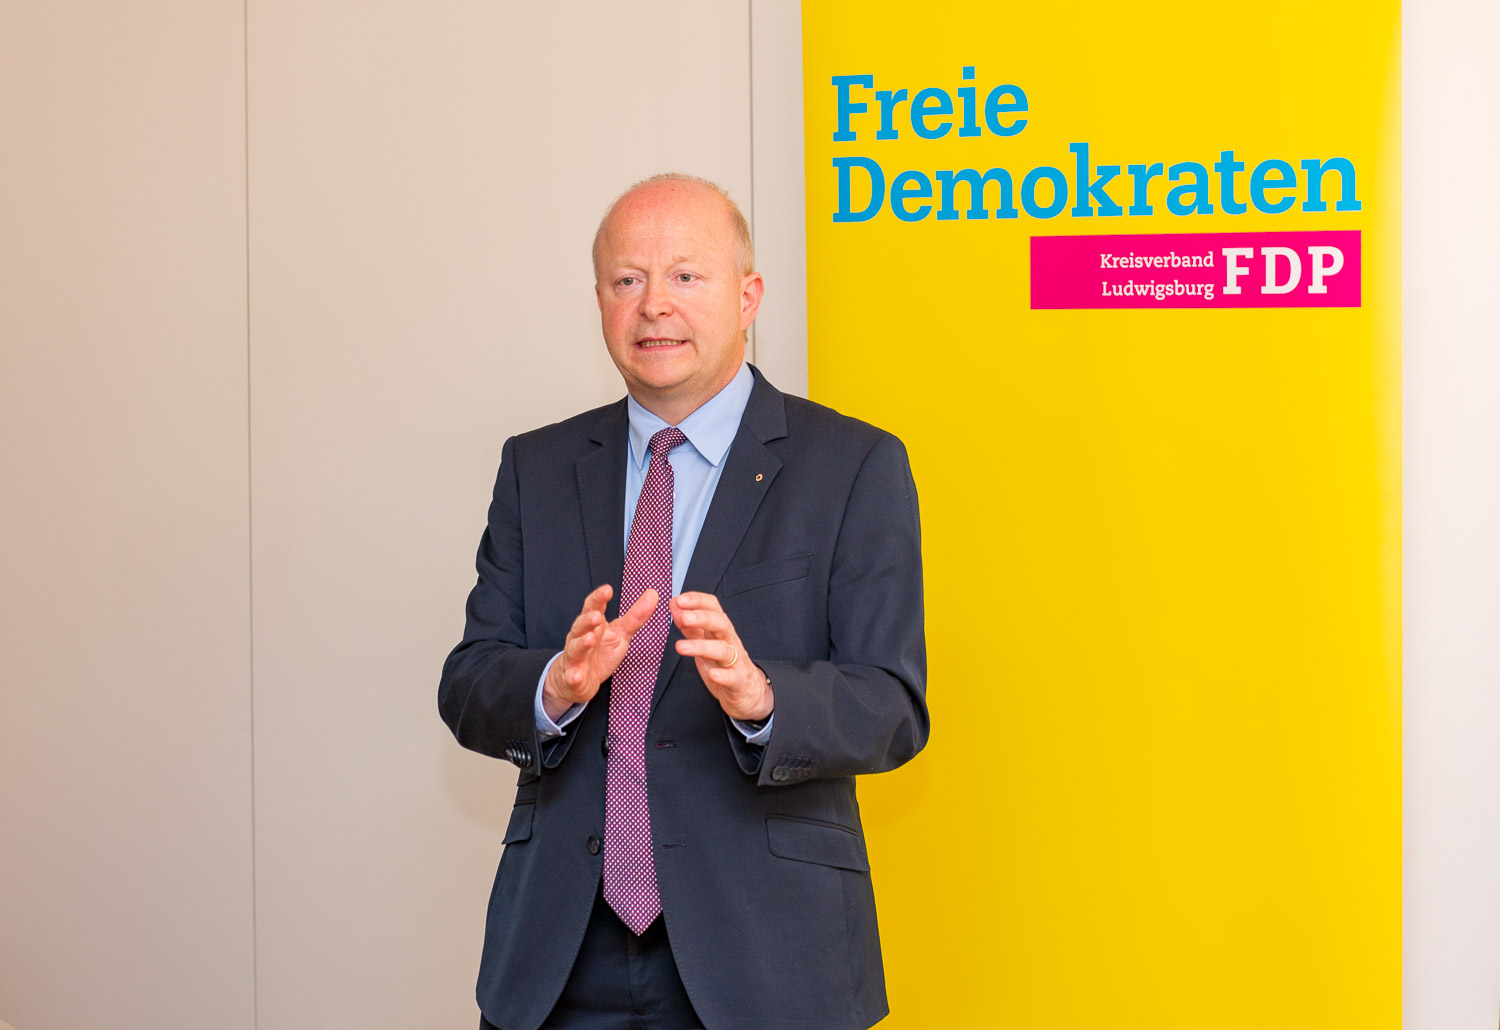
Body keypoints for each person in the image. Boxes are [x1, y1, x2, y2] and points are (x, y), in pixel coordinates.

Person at [439, 173, 928, 1030]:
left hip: (769, 957)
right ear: (599, 301)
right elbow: (470, 681)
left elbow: (893, 704)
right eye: (627, 280)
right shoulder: (536, 468)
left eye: (685, 276)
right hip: (558, 959)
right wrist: (555, 686)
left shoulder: (853, 464)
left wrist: (764, 699)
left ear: (748, 298)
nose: (653, 305)